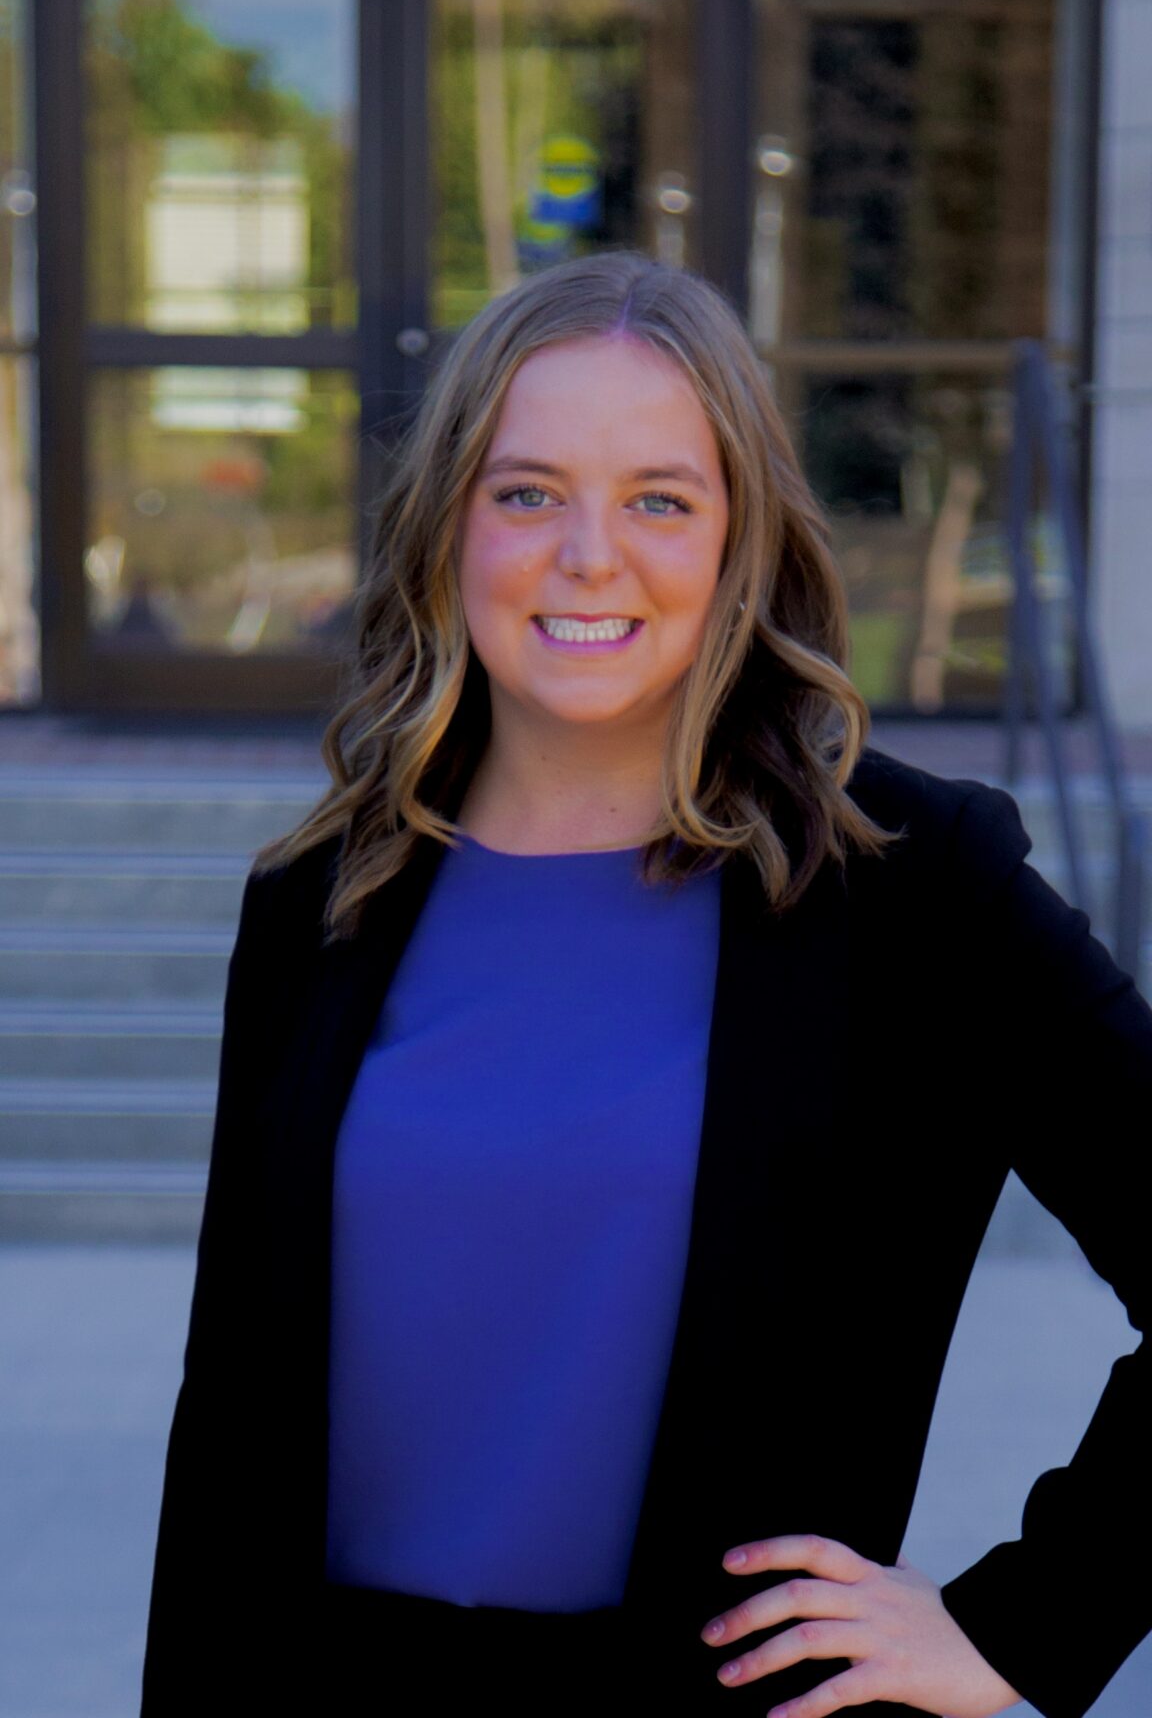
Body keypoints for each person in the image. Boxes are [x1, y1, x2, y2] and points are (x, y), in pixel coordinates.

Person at [141, 252, 1152, 1718]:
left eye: (660, 499)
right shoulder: (319, 898)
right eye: (529, 491)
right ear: (450, 527)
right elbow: (226, 1424)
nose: (589, 555)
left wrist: (1023, 1623)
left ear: (741, 536)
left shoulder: (914, 885)